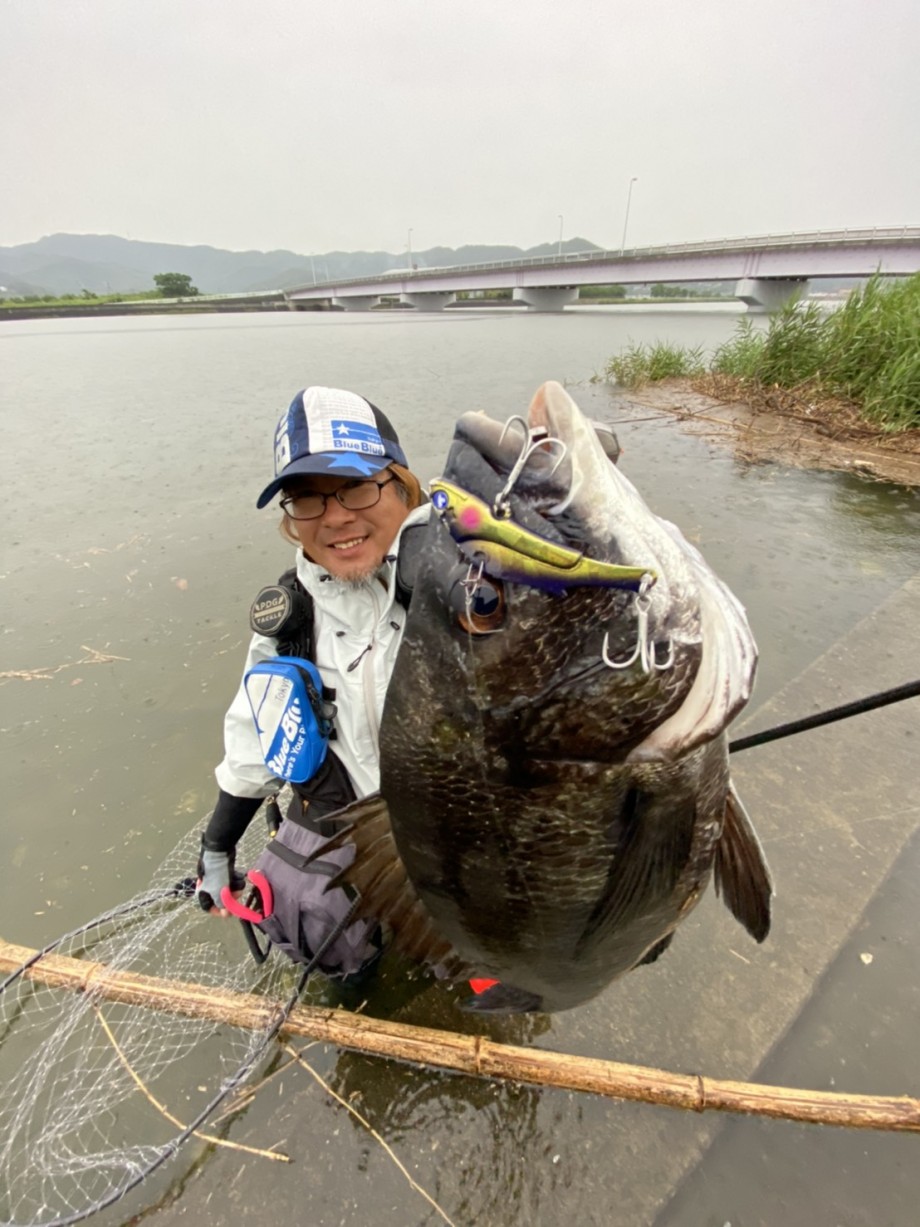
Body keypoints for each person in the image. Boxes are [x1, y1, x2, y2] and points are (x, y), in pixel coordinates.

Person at [195, 385, 429, 984]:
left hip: (456, 833)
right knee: (321, 927)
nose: (336, 517)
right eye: (307, 500)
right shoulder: (291, 615)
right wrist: (219, 844)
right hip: (356, 824)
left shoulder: (475, 590)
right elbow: (255, 735)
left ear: (402, 485)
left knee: (492, 972)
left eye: (354, 486)